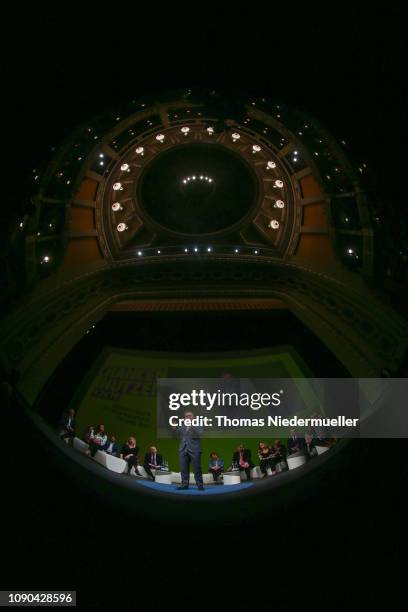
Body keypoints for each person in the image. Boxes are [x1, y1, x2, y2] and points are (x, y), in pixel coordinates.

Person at [174, 410, 204, 490]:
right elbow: (177, 434)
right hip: (183, 449)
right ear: (184, 418)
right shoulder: (182, 426)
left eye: (190, 416)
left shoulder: (197, 424)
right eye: (186, 416)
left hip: (195, 450)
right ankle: (184, 484)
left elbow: (200, 432)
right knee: (183, 469)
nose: (188, 417)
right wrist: (175, 428)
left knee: (197, 468)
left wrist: (192, 424)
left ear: (193, 417)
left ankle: (200, 485)